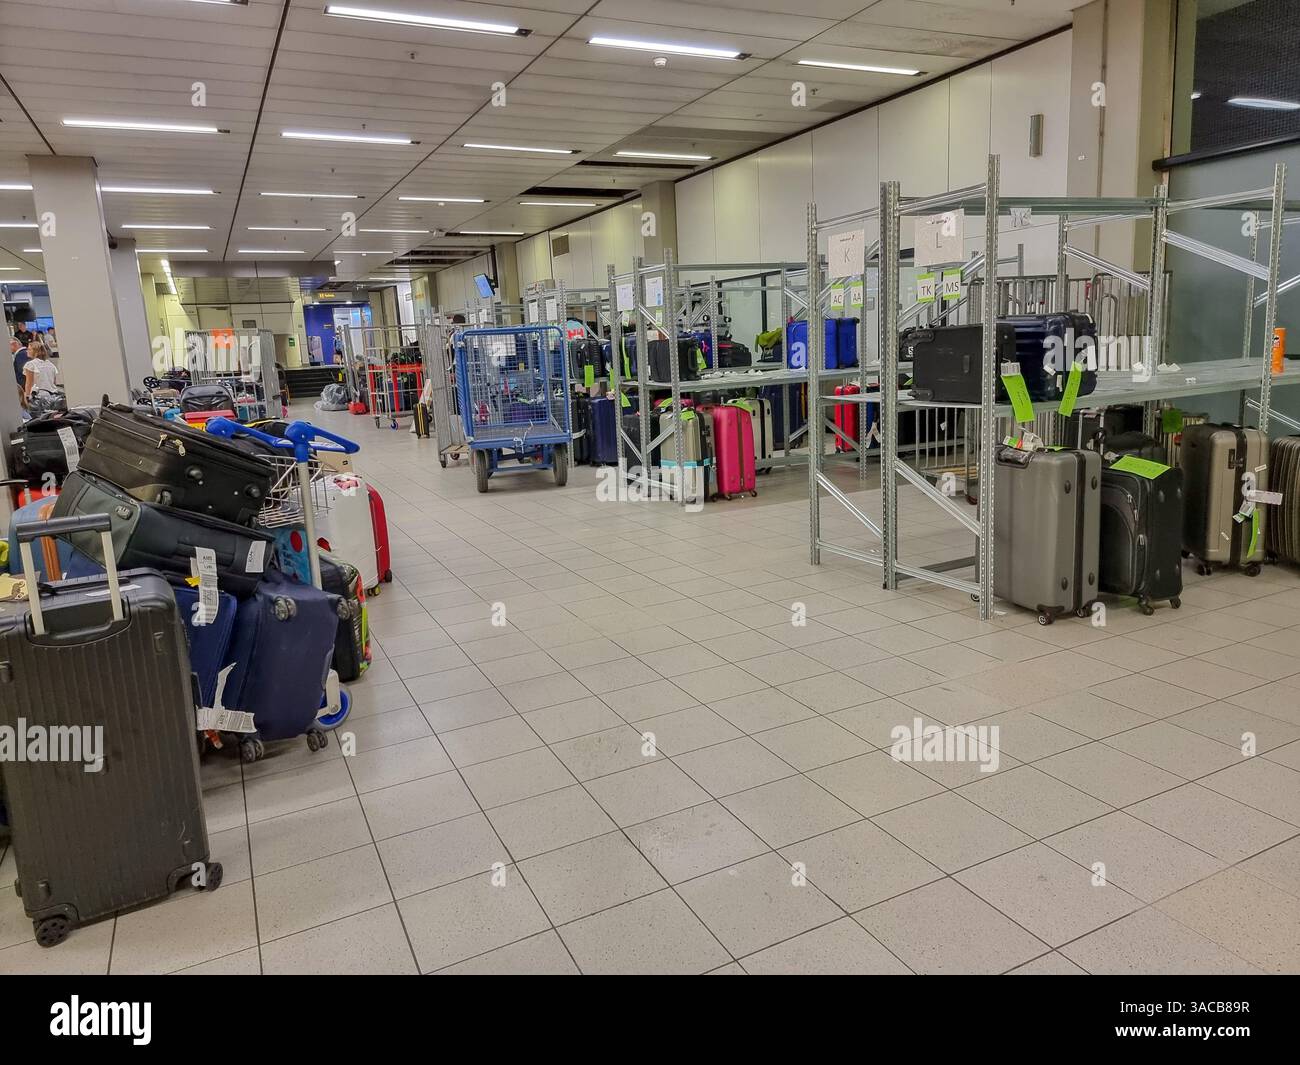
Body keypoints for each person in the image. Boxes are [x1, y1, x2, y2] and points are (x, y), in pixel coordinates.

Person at [22, 339, 60, 407]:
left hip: (37, 397)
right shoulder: (50, 364)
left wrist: (27, 397)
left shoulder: (30, 365)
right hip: (53, 396)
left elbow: (29, 383)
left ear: (36, 352)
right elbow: (54, 382)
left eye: (29, 349)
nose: (27, 351)